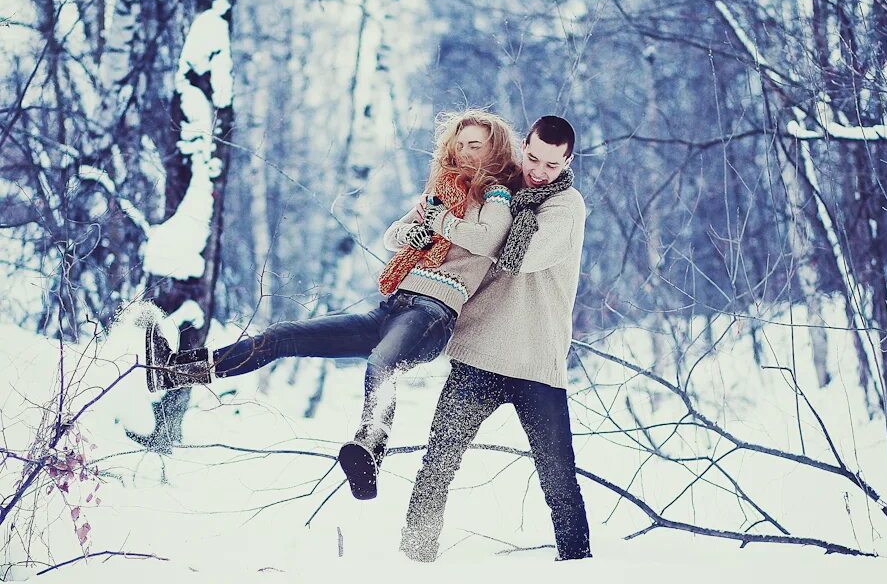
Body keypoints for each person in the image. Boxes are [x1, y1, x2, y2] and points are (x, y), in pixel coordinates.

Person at [143, 109, 520, 500]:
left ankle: (370, 449)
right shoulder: (443, 194)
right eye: (458, 145)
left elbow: (487, 239)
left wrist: (439, 222)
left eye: (474, 145)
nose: (464, 153)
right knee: (281, 336)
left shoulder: (497, 197)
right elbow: (394, 236)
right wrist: (417, 230)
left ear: (494, 149)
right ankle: (175, 372)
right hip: (391, 309)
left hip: (432, 316)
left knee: (382, 364)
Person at [401, 115, 591, 562]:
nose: (539, 171)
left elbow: (520, 255)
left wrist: (459, 222)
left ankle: (579, 566)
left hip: (535, 360)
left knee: (559, 479)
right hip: (479, 350)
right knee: (437, 465)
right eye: (532, 157)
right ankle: (414, 560)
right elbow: (423, 225)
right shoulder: (493, 191)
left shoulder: (566, 206)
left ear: (567, 162)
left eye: (552, 164)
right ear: (524, 145)